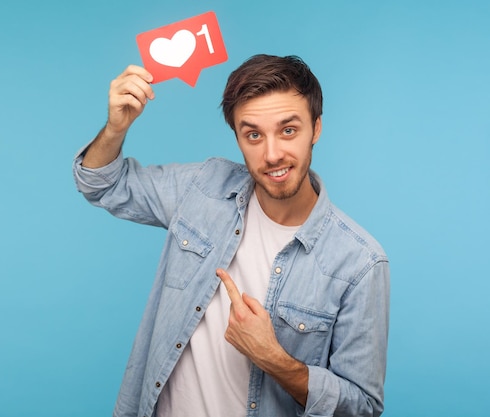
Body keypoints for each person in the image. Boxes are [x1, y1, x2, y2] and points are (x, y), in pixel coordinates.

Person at [73, 54, 390, 417]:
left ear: (316, 128)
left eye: (288, 130)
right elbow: (101, 184)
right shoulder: (203, 188)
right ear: (237, 135)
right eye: (253, 134)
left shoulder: (360, 263)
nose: (272, 154)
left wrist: (274, 359)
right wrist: (116, 128)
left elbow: (362, 407)